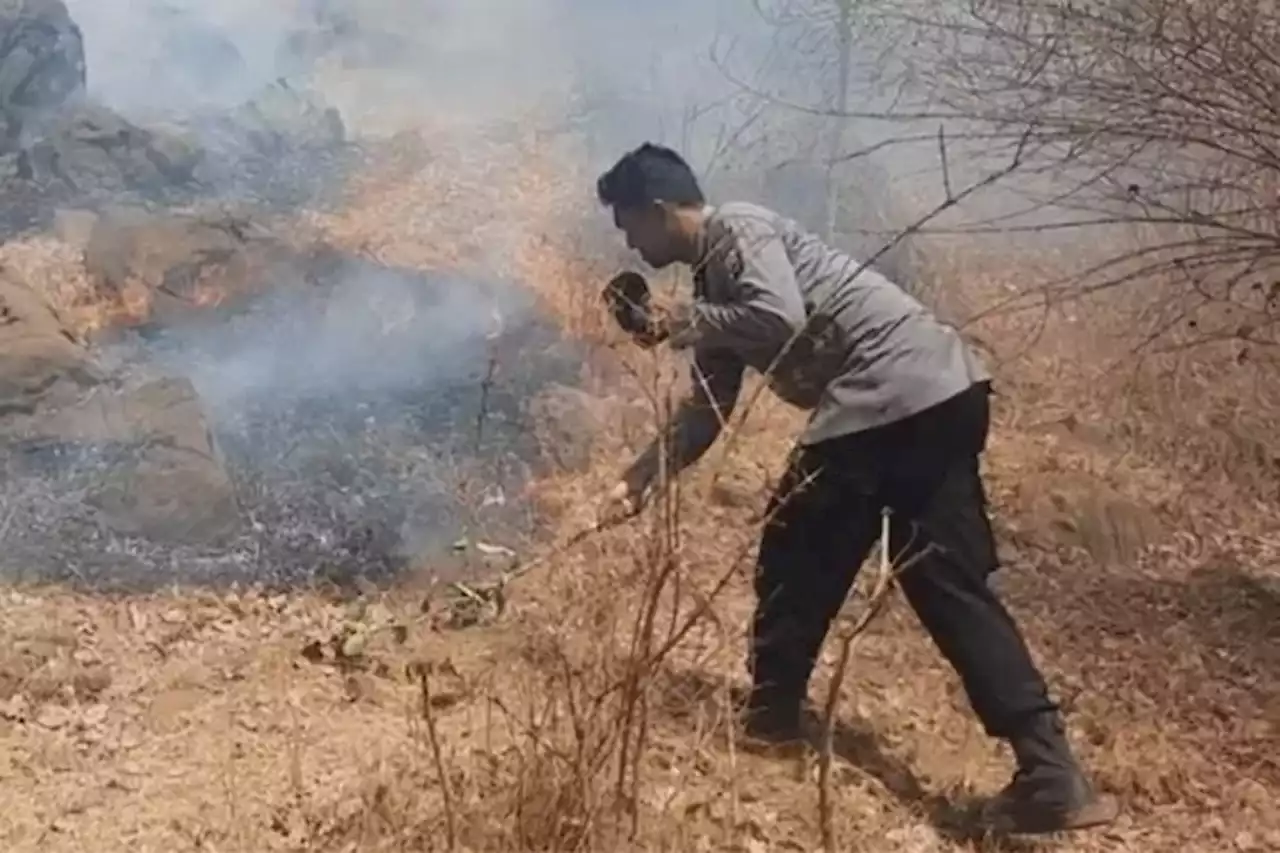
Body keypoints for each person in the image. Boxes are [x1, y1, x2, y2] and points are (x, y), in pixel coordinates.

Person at [593, 142, 1119, 836]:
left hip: (887, 395)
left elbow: (775, 316)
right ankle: (1052, 773)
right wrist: (636, 482)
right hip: (945, 390)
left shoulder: (737, 228)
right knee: (947, 583)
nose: (627, 240)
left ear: (659, 212)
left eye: (628, 223)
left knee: (795, 546)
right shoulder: (713, 288)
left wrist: (677, 322)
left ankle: (772, 721)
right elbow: (707, 413)